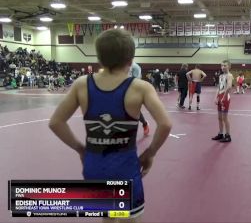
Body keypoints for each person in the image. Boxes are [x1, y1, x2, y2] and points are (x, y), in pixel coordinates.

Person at [48, 29, 172, 222]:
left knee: (107, 218)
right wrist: (150, 152)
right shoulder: (140, 87)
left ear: (99, 58)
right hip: (126, 170)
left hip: (94, 168)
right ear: (131, 60)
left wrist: (81, 149)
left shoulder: (82, 85)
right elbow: (165, 124)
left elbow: (56, 122)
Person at [212, 60, 233, 143]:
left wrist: (223, 97)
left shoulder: (229, 75)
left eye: (225, 65)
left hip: (225, 97)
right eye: (222, 65)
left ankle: (228, 135)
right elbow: (219, 87)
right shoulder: (221, 76)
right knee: (219, 117)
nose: (223, 67)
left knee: (225, 118)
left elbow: (229, 87)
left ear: (229, 66)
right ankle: (221, 133)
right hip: (220, 96)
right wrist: (215, 97)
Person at [130, 62, 150, 136]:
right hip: (121, 90)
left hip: (132, 90)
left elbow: (136, 81)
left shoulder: (135, 67)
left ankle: (145, 124)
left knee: (135, 110)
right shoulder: (118, 65)